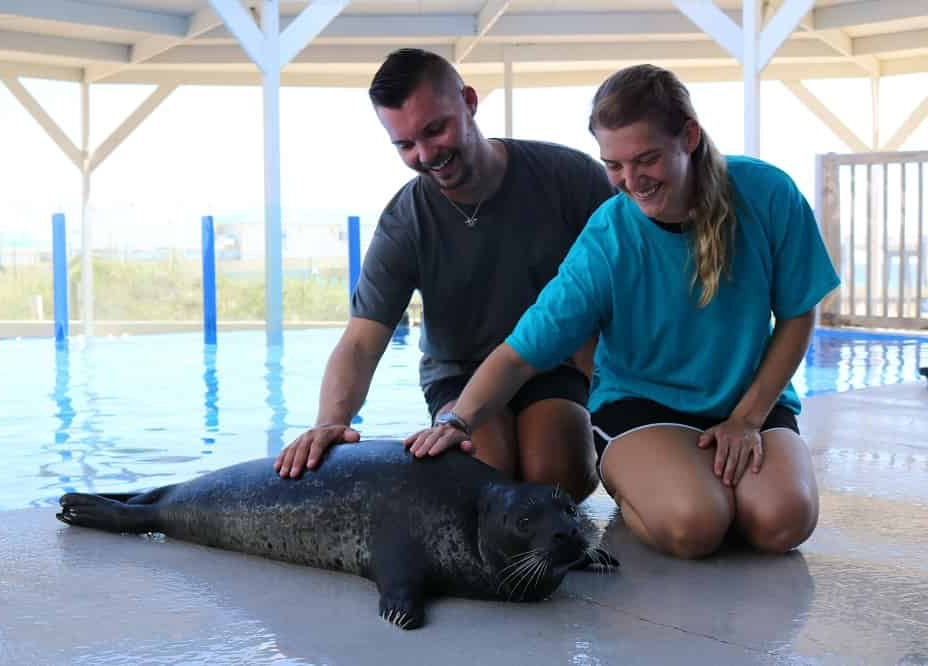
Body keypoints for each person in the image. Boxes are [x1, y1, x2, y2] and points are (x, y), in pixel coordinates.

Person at [405, 64, 840, 559]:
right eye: (613, 165)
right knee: (695, 526)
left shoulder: (767, 194)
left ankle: (693, 486)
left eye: (647, 159)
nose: (631, 181)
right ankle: (645, 487)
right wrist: (455, 423)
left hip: (749, 400)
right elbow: (521, 354)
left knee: (784, 522)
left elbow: (798, 314)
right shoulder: (608, 238)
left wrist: (746, 419)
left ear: (689, 137)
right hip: (644, 406)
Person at [274, 48, 615, 502]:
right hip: (460, 376)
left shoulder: (569, 178)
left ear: (469, 102)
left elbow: (634, 283)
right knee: (481, 480)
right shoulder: (406, 220)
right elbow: (361, 340)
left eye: (436, 129)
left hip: (553, 367)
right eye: (406, 144)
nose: (426, 154)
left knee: (554, 481)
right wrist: (330, 423)